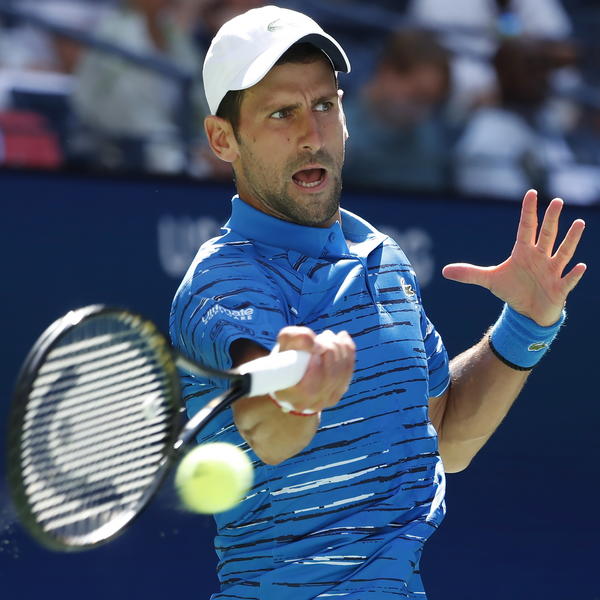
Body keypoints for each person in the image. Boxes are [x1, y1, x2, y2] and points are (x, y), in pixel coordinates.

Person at [169, 6, 587, 599]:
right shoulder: (223, 281)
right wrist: (297, 402)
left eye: (324, 105)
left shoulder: (381, 256)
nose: (312, 134)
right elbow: (265, 428)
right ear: (223, 138)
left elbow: (444, 435)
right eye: (281, 113)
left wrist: (526, 324)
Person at [343, 29, 453, 192]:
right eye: (417, 96)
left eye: (431, 101)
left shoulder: (433, 141)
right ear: (388, 72)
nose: (421, 110)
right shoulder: (333, 132)